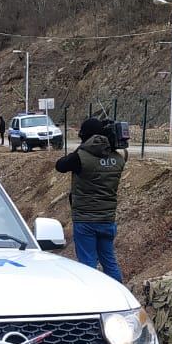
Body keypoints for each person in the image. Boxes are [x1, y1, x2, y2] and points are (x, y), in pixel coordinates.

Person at [54, 117, 127, 282]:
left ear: (84, 136)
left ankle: (92, 297)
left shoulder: (80, 157)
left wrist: (82, 147)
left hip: (85, 220)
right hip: (107, 219)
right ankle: (118, 294)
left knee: (87, 264)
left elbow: (60, 165)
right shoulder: (119, 158)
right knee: (109, 262)